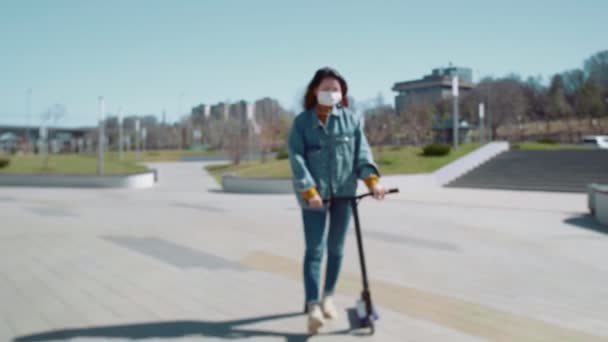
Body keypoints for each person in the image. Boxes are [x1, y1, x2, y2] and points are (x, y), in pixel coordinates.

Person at [287, 67, 387, 334]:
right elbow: (296, 159)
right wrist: (310, 191)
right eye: (326, 88)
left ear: (342, 94)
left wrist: (373, 182)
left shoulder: (351, 121)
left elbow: (362, 155)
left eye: (336, 89)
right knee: (315, 250)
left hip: (344, 195)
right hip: (314, 198)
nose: (331, 93)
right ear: (314, 91)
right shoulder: (302, 123)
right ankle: (312, 306)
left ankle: (327, 296)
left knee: (337, 249)